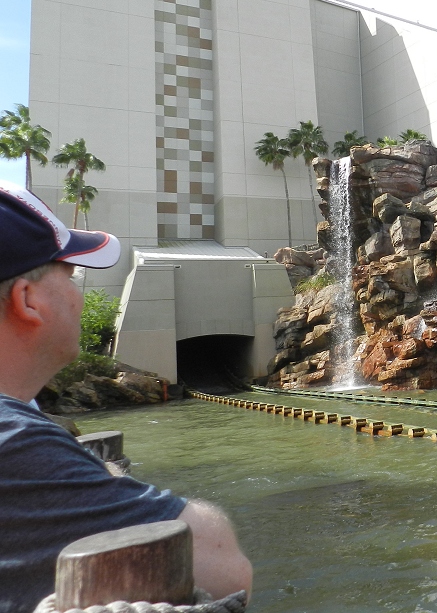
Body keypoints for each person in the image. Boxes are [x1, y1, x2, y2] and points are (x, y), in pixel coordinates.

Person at [0, 181, 252, 612]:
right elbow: (222, 566)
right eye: (73, 275)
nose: (81, 297)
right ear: (28, 300)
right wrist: (107, 476)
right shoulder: (18, 443)